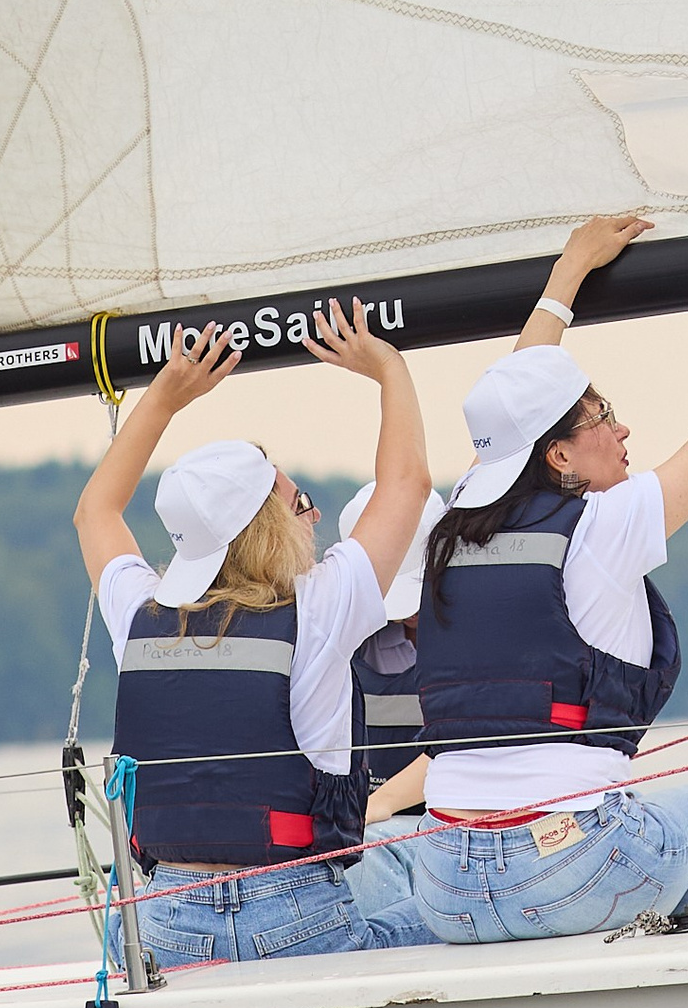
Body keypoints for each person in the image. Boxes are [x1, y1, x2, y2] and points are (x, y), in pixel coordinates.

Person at [406, 207, 688, 944]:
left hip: (443, 881)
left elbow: (513, 405)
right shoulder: (600, 528)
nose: (622, 429)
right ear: (559, 458)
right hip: (567, 868)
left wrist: (565, 277)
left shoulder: (457, 521)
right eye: (603, 414)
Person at [73, 302, 439, 965]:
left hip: (158, 927)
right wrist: (390, 368)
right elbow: (408, 484)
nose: (313, 513)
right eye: (298, 502)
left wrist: (164, 398)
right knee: (451, 899)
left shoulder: (138, 617)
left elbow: (94, 511)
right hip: (295, 915)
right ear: (267, 525)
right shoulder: (323, 608)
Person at [336, 479, 445, 934]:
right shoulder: (339, 640)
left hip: (449, 833)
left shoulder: (488, 633)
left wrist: (379, 804)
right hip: (369, 840)